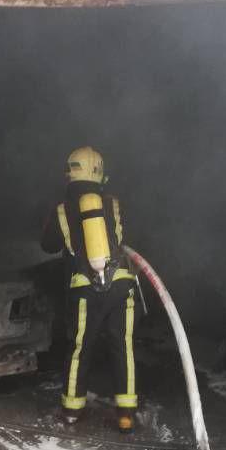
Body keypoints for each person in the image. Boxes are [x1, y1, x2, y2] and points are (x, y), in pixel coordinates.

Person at [40, 147, 140, 432]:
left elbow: (48, 245)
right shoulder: (114, 204)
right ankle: (126, 414)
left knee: (80, 348)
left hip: (85, 288)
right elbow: (130, 238)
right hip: (122, 285)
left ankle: (71, 411)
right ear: (100, 173)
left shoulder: (62, 209)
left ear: (70, 173)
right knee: (123, 347)